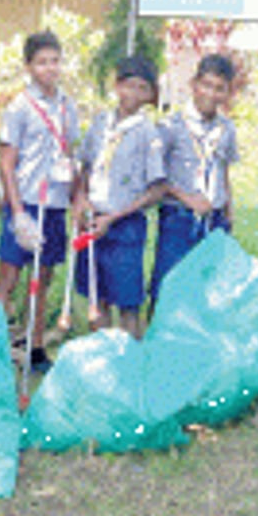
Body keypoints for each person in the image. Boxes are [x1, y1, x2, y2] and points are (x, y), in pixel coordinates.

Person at [0, 31, 81, 373]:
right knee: (10, 277)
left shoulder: (67, 106)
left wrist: (75, 198)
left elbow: (69, 153)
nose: (50, 68)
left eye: (55, 61)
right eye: (42, 62)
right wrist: (17, 213)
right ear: (29, 66)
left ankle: (36, 345)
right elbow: (6, 162)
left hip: (55, 203)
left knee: (43, 277)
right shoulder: (19, 106)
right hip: (27, 201)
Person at [74, 55, 169, 336]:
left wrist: (114, 217)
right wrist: (80, 199)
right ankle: (104, 360)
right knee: (96, 295)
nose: (134, 94)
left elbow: (158, 189)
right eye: (129, 86)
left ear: (151, 95)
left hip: (125, 227)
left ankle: (131, 364)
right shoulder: (101, 123)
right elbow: (85, 166)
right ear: (117, 86)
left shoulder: (148, 132)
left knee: (128, 302)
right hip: (93, 221)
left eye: (143, 89)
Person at [148, 53, 238, 315]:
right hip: (179, 217)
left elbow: (223, 171)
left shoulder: (227, 129)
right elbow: (158, 178)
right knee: (168, 285)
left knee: (207, 289)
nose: (211, 93)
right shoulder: (171, 125)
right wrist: (187, 199)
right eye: (206, 85)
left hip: (214, 219)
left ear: (227, 92)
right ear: (194, 84)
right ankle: (158, 349)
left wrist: (228, 213)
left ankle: (195, 351)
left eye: (219, 88)